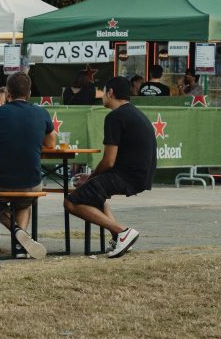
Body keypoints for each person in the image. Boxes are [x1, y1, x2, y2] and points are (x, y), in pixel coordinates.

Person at [65, 76, 155, 258]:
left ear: (110, 93)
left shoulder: (115, 116)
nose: (101, 96)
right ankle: (119, 238)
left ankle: (123, 231)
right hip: (141, 175)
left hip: (126, 176)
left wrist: (89, 179)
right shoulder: (136, 113)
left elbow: (108, 162)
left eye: (103, 92)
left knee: (71, 202)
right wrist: (91, 180)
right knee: (95, 194)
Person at [0, 72, 53, 259]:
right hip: (33, 180)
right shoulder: (42, 113)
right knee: (24, 199)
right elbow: (51, 144)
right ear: (29, 93)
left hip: (0, 179)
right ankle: (20, 244)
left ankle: (16, 230)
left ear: (8, 92)